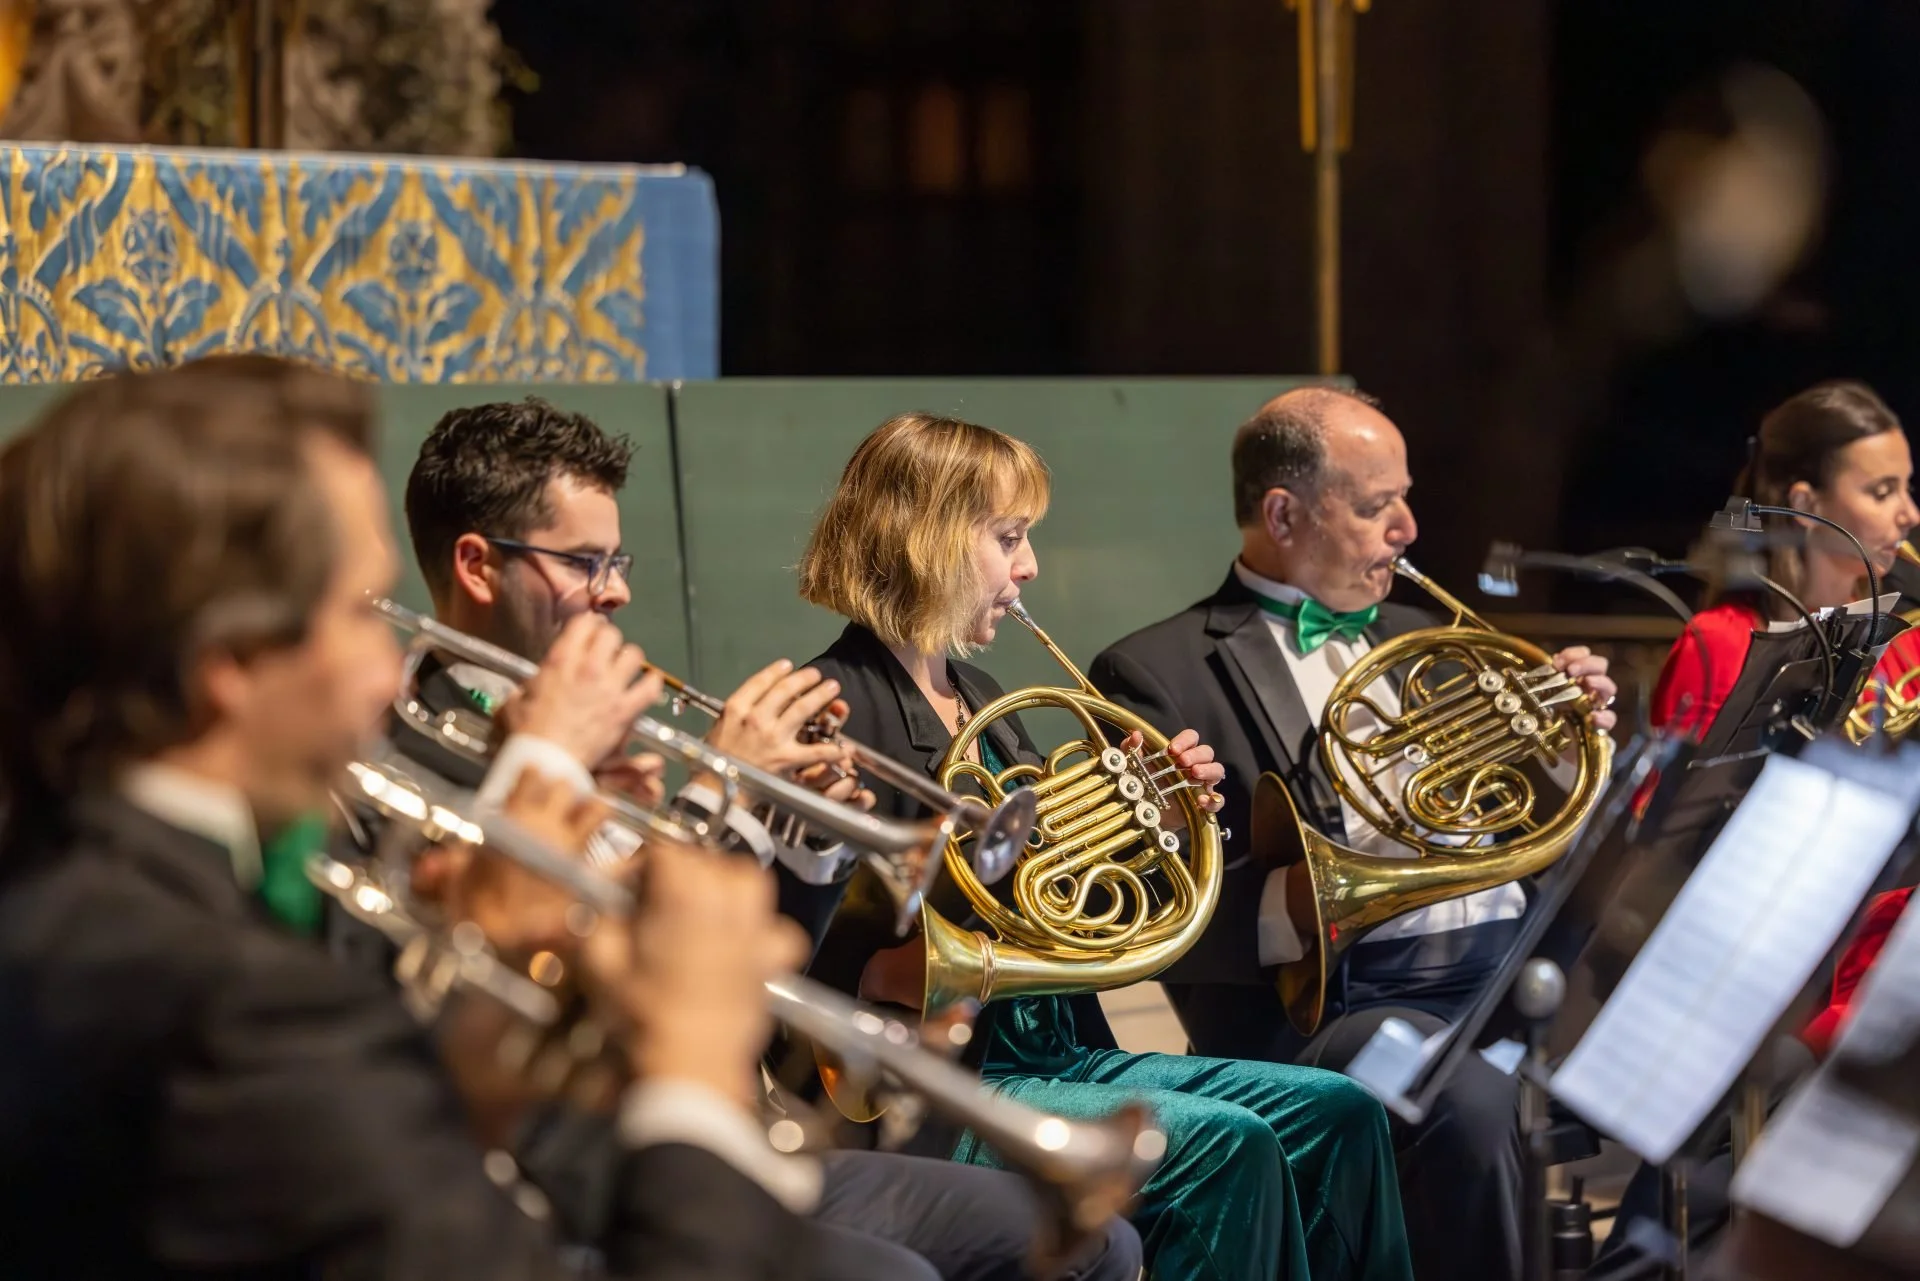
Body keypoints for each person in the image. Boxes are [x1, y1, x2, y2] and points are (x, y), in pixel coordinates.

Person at [0, 358, 817, 1280]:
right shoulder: (234, 1006)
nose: (386, 672)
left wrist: (467, 1059)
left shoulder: (68, 892)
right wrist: (695, 1074)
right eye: (359, 613)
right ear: (230, 661)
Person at [393, 397, 1146, 1281]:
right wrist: (720, 790)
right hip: (584, 1162)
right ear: (478, 565)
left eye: (617, 560)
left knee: (1104, 1243)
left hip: (710, 1127)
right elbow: (552, 966)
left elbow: (735, 945)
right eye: (584, 562)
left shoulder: (585, 725)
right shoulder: (415, 744)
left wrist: (799, 836)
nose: (617, 589)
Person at [786, 411, 1414, 1281]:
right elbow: (802, 962)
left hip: (1060, 1050)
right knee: (1225, 1144)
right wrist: (898, 970)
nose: (1030, 566)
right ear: (928, 537)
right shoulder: (833, 708)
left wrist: (1148, 813)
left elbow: (1052, 886)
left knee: (1342, 1112)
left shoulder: (981, 693)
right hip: (951, 1089)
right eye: (1009, 538)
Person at [1088, 386, 1620, 1281]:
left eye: (1404, 498)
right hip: (1332, 1011)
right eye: (1377, 506)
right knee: (1471, 1104)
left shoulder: (1431, 637)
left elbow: (1518, 819)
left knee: (1702, 1047)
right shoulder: (1154, 671)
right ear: (1283, 515)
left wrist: (1563, 752)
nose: (1408, 528)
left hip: (1503, 975)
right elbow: (1154, 914)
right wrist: (1300, 903)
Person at [1651, 380, 1920, 738]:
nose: (1911, 515)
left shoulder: (1905, 643)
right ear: (1807, 505)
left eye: (1907, 488)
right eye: (1882, 492)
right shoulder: (1719, 645)